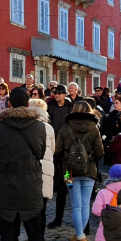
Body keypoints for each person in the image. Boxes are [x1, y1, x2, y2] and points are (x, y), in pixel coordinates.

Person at [0, 87, 51, 241]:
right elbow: (40, 154)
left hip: (6, 189)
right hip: (31, 189)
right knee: (36, 239)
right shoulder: (39, 128)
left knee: (7, 240)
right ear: (28, 104)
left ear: (9, 104)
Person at [56, 100, 104, 241]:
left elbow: (57, 150)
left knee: (75, 206)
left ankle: (80, 236)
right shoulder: (94, 129)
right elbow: (100, 152)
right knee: (84, 205)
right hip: (89, 170)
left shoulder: (65, 127)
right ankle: (81, 236)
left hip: (68, 171)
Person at [46, 86, 74, 227]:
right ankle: (57, 184)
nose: (55, 95)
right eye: (54, 93)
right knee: (56, 169)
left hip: (68, 146)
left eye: (58, 93)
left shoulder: (70, 105)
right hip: (54, 142)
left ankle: (67, 183)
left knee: (67, 174)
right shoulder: (50, 105)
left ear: (64, 94)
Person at [27, 97, 56, 209]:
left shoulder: (25, 126)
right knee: (42, 204)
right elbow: (53, 149)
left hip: (29, 166)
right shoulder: (49, 127)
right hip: (46, 166)